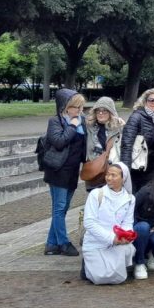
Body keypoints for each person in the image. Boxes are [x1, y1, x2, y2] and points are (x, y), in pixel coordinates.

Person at [43, 88, 88, 256]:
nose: (79, 111)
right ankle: (63, 242)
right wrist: (72, 125)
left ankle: (51, 244)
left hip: (72, 170)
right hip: (57, 170)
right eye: (75, 107)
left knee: (63, 208)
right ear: (65, 107)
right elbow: (59, 141)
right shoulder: (56, 121)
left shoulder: (82, 121)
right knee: (59, 208)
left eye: (81, 107)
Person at [81, 162, 136, 285]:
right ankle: (88, 267)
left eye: (114, 175)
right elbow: (89, 222)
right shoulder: (96, 194)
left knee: (127, 251)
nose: (109, 178)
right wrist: (111, 238)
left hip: (116, 243)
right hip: (96, 242)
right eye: (107, 174)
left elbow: (127, 222)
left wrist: (126, 236)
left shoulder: (130, 199)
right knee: (100, 278)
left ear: (123, 178)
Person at [121, 88, 154, 193]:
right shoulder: (136, 117)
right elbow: (126, 145)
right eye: (151, 100)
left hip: (152, 169)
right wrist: (125, 171)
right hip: (135, 168)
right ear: (145, 102)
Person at [83, 96, 124, 192]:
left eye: (104, 111)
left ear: (111, 112)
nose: (101, 113)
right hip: (94, 170)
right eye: (98, 111)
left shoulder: (119, 128)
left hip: (111, 170)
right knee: (95, 197)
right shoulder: (88, 126)